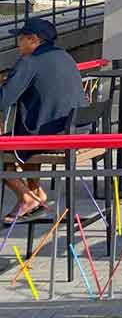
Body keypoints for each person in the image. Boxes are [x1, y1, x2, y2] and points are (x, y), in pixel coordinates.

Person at [0, 19, 86, 222]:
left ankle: (26, 197)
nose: (18, 43)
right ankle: (37, 193)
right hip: (75, 131)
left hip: (51, 135)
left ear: (34, 39)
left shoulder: (30, 61)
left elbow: (4, 100)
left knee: (10, 143)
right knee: (21, 136)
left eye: (20, 38)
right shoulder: (64, 56)